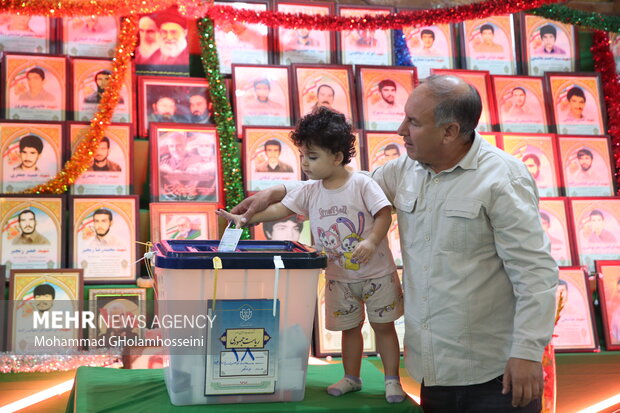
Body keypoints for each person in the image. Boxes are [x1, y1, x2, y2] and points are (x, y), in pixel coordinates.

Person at [232, 74, 558, 411]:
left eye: (413, 122)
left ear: (450, 132)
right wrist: (277, 191)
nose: (401, 129)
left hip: (496, 375)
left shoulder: (503, 178)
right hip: (433, 372)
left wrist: (527, 353)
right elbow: (345, 190)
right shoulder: (406, 170)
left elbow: (535, 274)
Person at [218, 106, 406, 404]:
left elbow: (383, 213)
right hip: (338, 277)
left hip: (377, 274)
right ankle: (351, 377)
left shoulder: (362, 183)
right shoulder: (310, 190)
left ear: (337, 156)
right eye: (303, 156)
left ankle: (392, 379)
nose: (305, 163)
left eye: (312, 157)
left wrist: (371, 242)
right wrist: (246, 219)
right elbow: (280, 209)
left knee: (383, 327)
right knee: (349, 329)